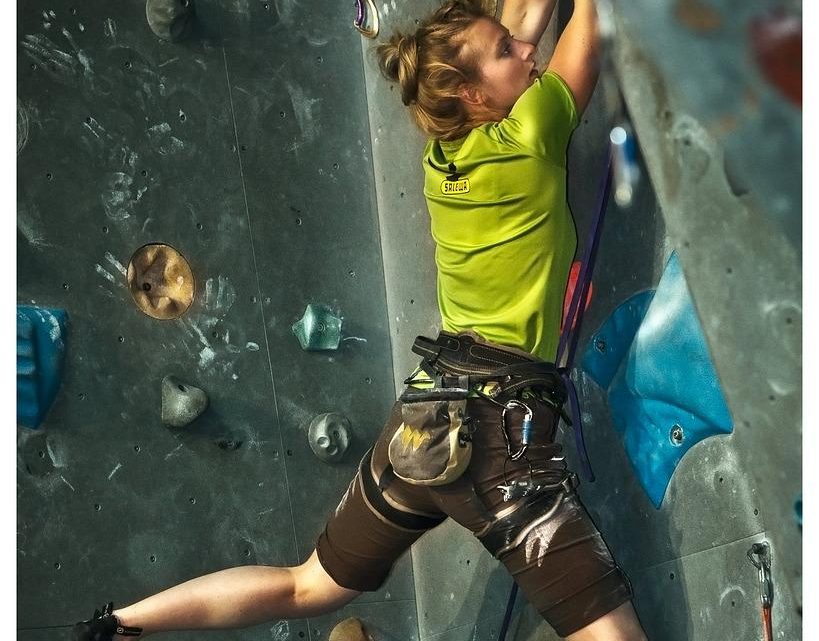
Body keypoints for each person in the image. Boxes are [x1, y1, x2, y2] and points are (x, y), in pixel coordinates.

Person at [73, 1, 648, 639]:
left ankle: (121, 624)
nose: (525, 54)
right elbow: (587, 28)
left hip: (421, 425)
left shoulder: (442, 163)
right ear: (469, 92)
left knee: (308, 583)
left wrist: (503, 44)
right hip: (497, 437)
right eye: (507, 53)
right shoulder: (531, 129)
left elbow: (514, 38)